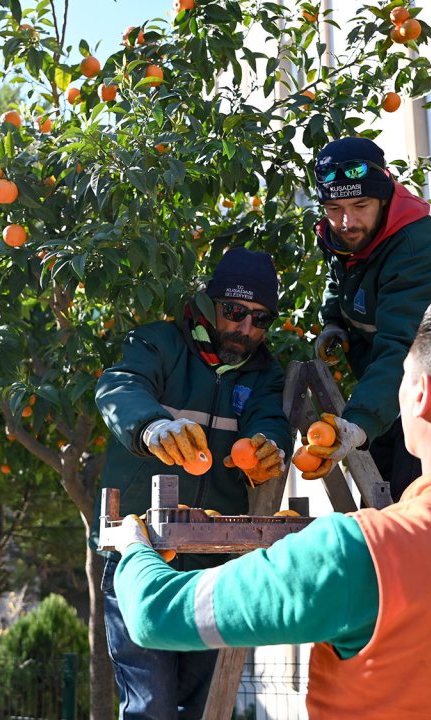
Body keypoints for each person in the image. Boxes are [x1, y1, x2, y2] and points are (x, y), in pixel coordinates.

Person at [111, 279, 431, 719]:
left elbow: (155, 613)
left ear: (420, 395)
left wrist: (134, 546)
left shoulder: (362, 554)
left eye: (402, 375)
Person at [92, 246, 293, 719]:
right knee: (152, 707)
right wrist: (151, 427)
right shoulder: (158, 343)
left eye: (260, 319)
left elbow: (271, 421)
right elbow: (119, 385)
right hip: (139, 554)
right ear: (209, 305)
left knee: (204, 708)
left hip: (214, 564)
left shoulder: (265, 373)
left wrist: (268, 446)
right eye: (235, 311)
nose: (246, 329)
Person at [303, 136, 431, 502]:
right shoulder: (341, 234)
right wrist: (334, 322)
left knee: (413, 515)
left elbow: (404, 351)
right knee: (375, 511)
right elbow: (339, 280)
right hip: (387, 393)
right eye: (333, 207)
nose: (347, 221)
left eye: (360, 205)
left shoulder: (416, 249)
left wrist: (358, 422)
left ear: (385, 195)